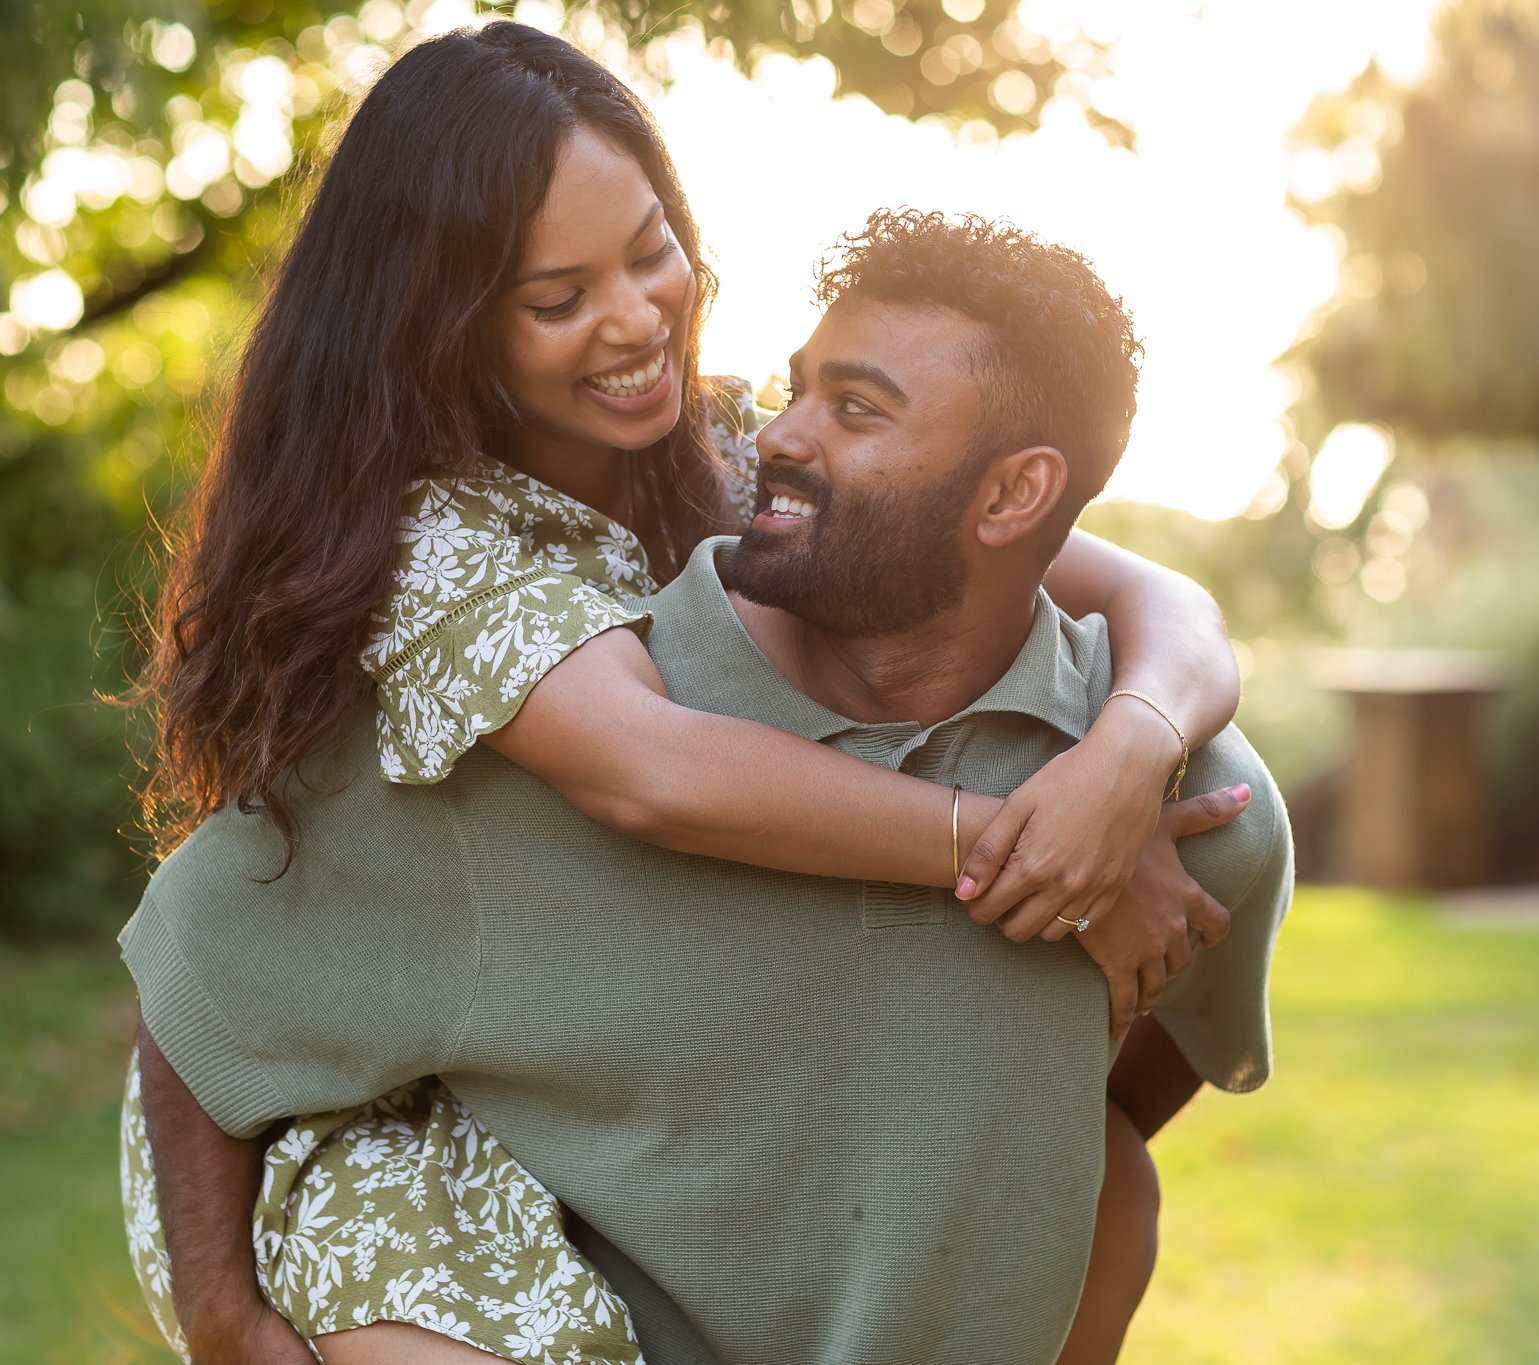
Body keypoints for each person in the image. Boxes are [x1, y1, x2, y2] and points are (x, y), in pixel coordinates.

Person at [119, 22, 1253, 1364]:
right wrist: (1025, 850)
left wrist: (1125, 756)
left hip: (585, 1072)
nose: (637, 317)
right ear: (449, 327)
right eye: (558, 298)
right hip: (372, 1106)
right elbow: (649, 769)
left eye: (650, 249)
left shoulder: (720, 448)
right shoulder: (443, 547)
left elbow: (1151, 596)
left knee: (1099, 1198)